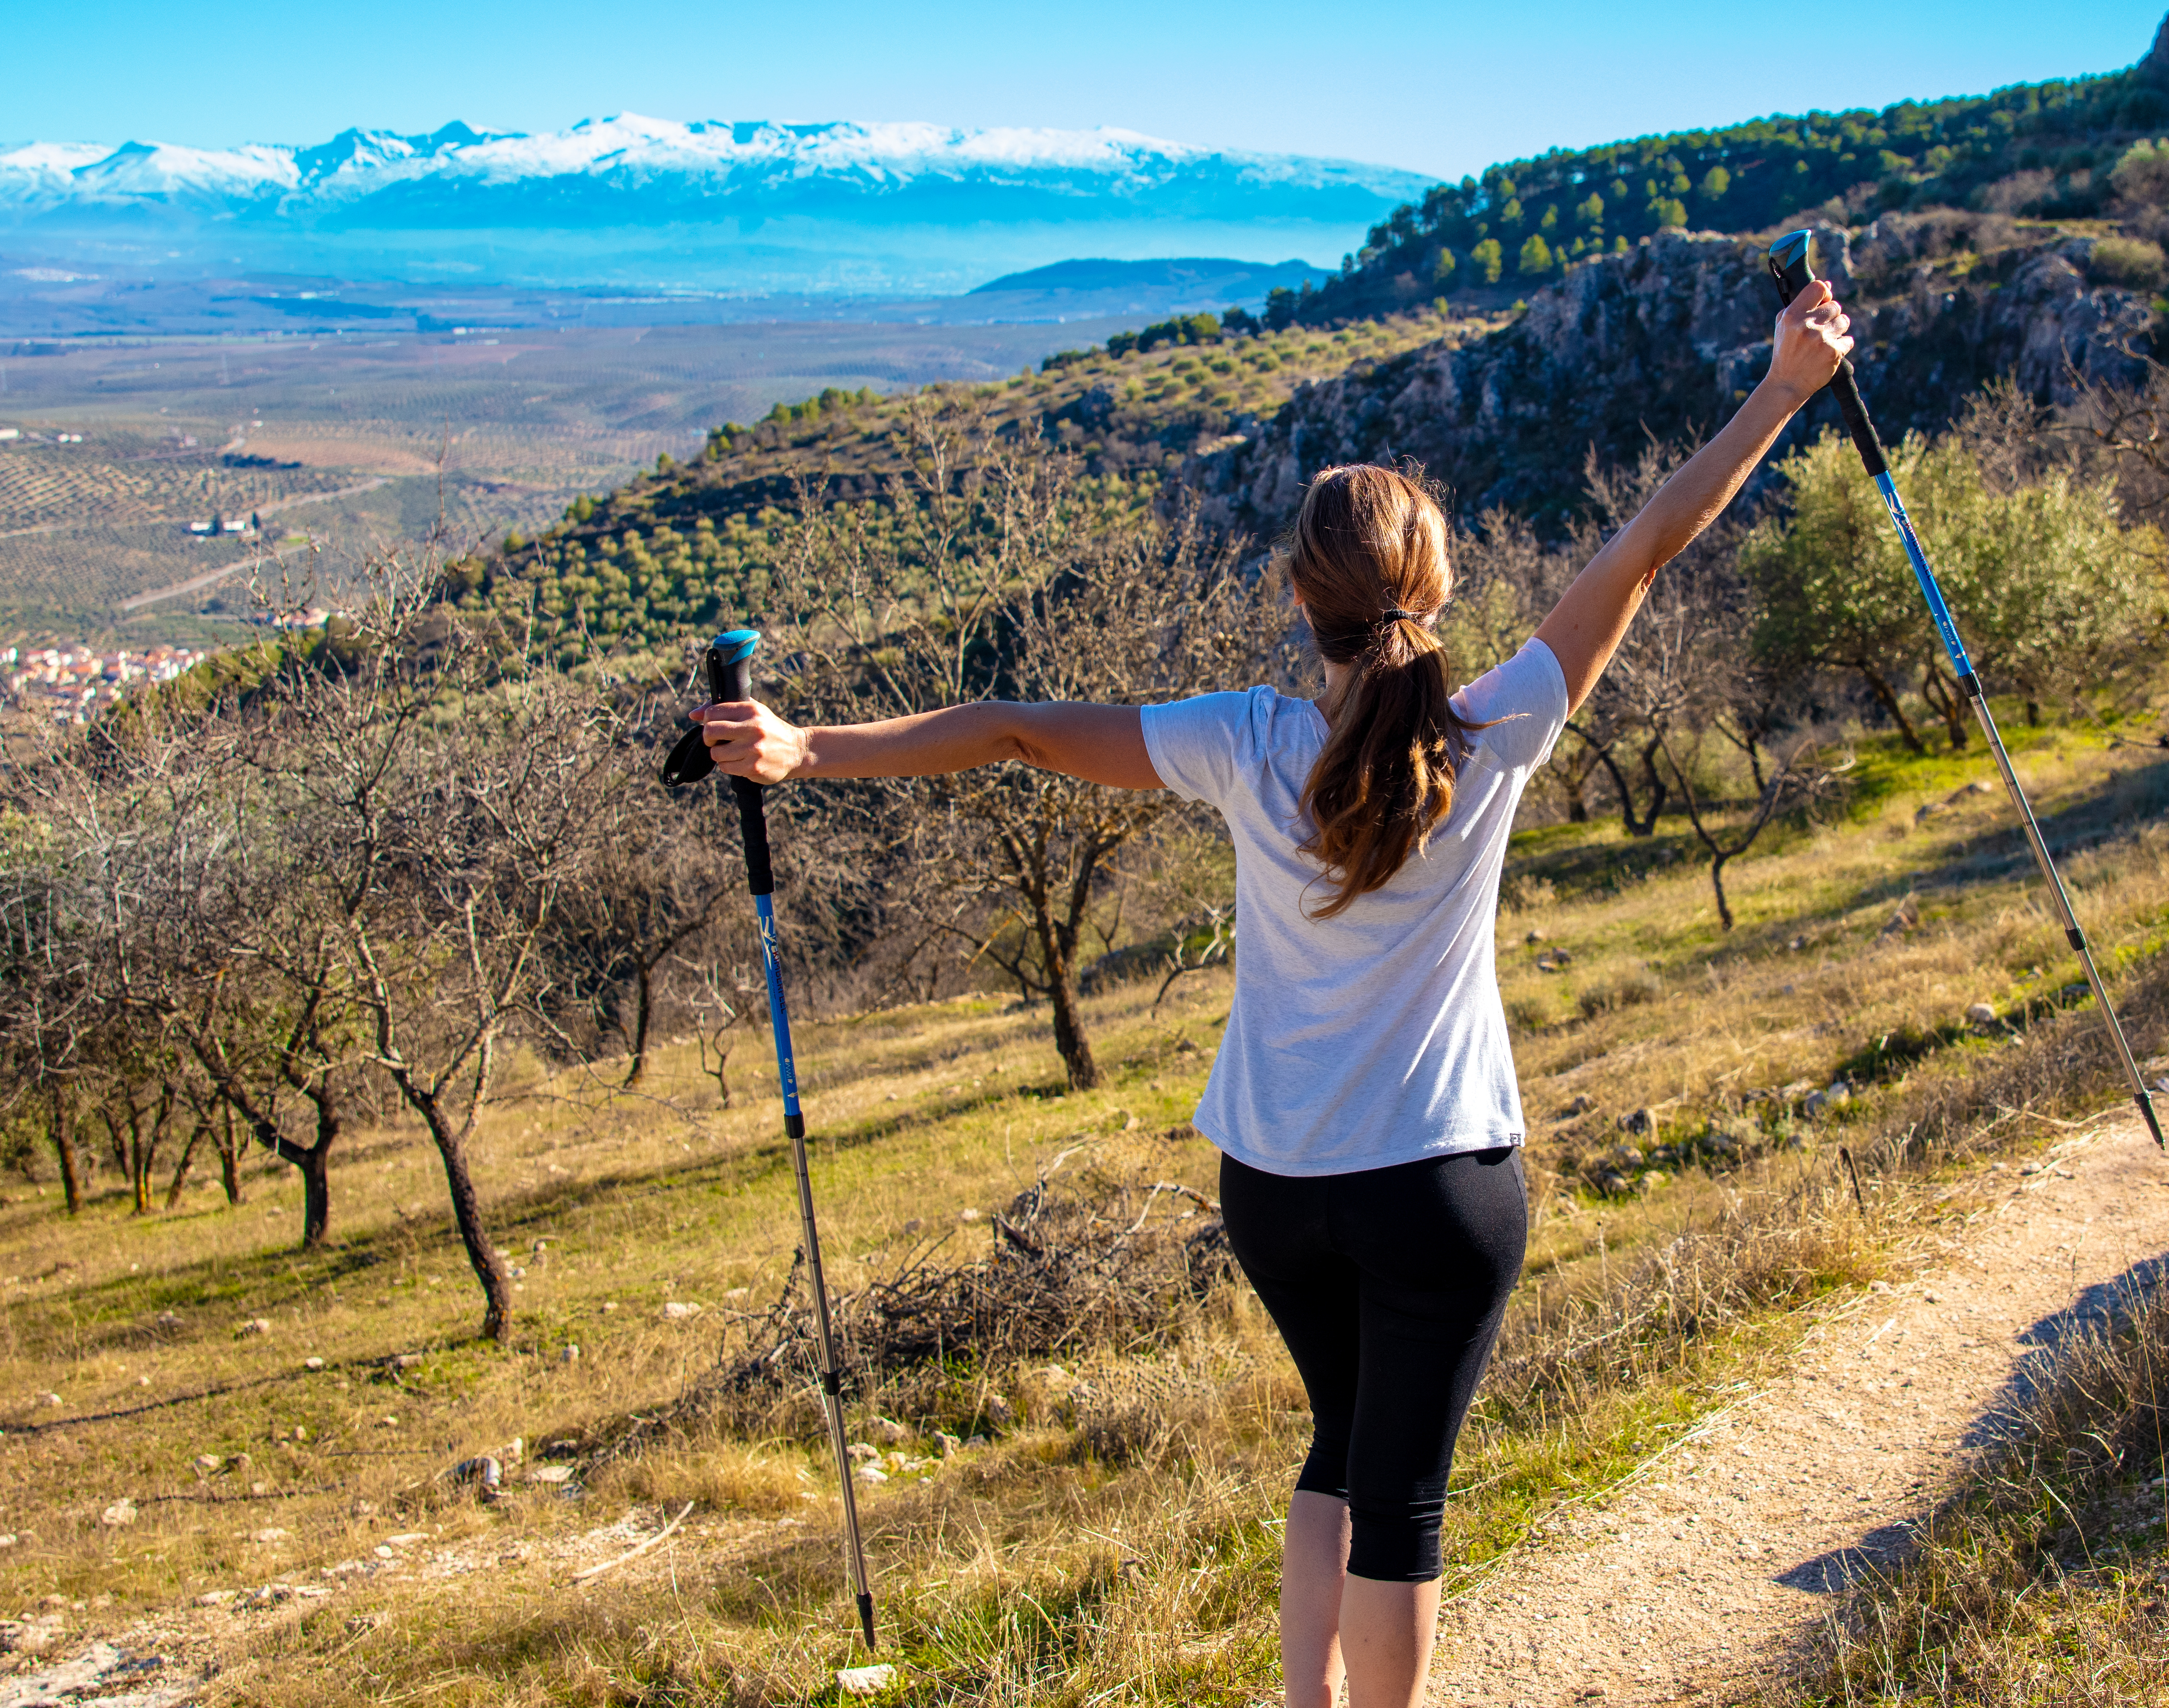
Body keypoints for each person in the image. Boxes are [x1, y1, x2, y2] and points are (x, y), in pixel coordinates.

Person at [693, 277, 1855, 1708]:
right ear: (1431, 588)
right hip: (1436, 1186)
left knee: (1338, 1450)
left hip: (1276, 1187)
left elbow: (1007, 732)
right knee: (1404, 1501)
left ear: (1298, 602)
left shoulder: (1241, 742)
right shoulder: (1497, 733)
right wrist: (1786, 388)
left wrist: (810, 750)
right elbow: (1651, 541)